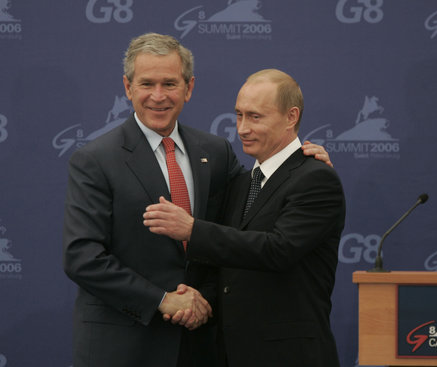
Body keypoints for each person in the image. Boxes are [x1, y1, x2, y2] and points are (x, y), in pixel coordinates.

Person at [63, 33, 332, 367]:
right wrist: (160, 300)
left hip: (200, 345)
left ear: (189, 88)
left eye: (170, 84)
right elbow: (82, 257)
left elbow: (255, 208)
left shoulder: (215, 153)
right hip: (125, 344)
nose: (158, 96)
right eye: (147, 83)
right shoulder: (95, 159)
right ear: (128, 87)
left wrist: (299, 162)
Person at [144, 68, 346, 367]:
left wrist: (192, 230)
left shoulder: (315, 178)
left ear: (291, 117)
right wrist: (198, 299)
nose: (241, 128)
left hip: (290, 356)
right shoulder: (242, 183)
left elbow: (279, 250)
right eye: (238, 115)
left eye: (255, 117)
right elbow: (231, 267)